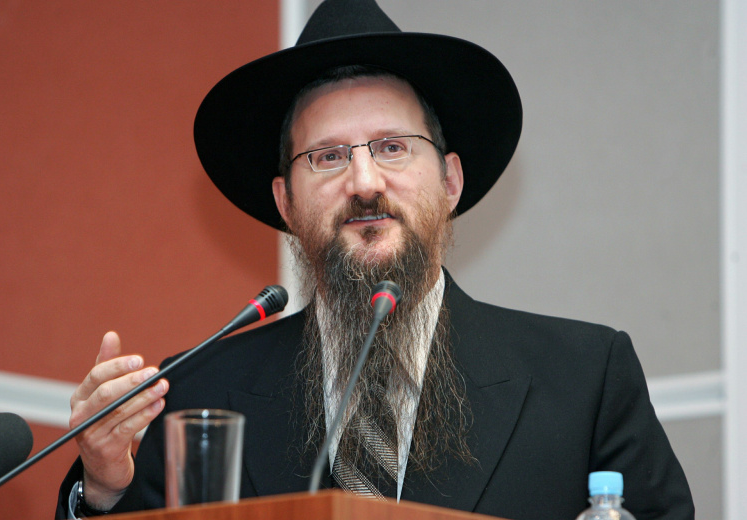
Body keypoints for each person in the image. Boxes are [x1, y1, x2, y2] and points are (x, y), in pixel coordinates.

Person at [56, 1, 694, 519]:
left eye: (391, 147)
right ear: (285, 202)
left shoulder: (584, 380)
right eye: (328, 157)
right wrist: (104, 489)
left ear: (450, 181)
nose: (364, 182)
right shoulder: (197, 391)